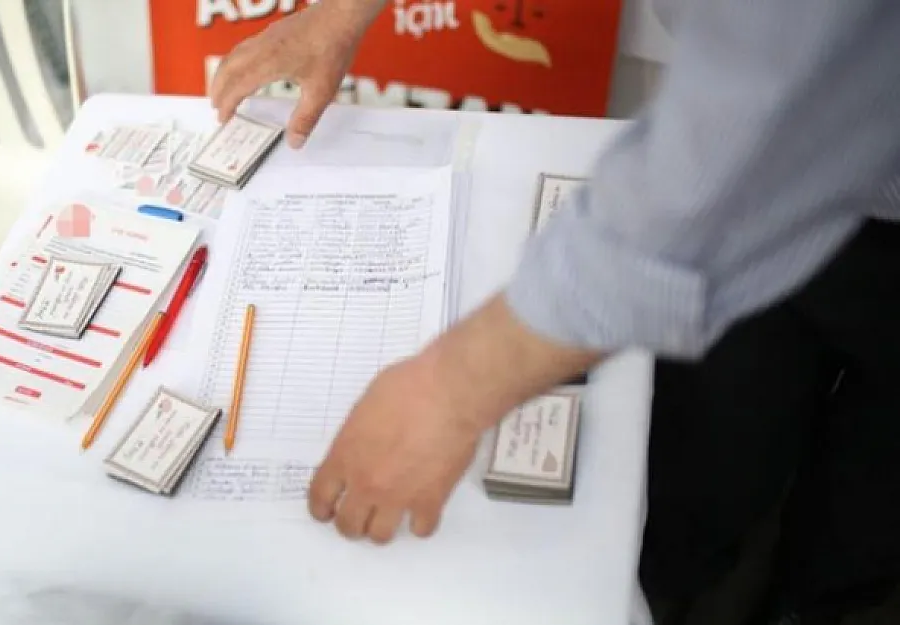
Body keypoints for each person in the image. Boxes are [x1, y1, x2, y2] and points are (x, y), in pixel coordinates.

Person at [212, 1, 900, 623]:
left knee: (867, 501)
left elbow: (762, 111)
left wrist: (456, 386)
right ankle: (679, 582)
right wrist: (341, 13)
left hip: (845, 170)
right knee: (714, 446)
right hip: (759, 194)